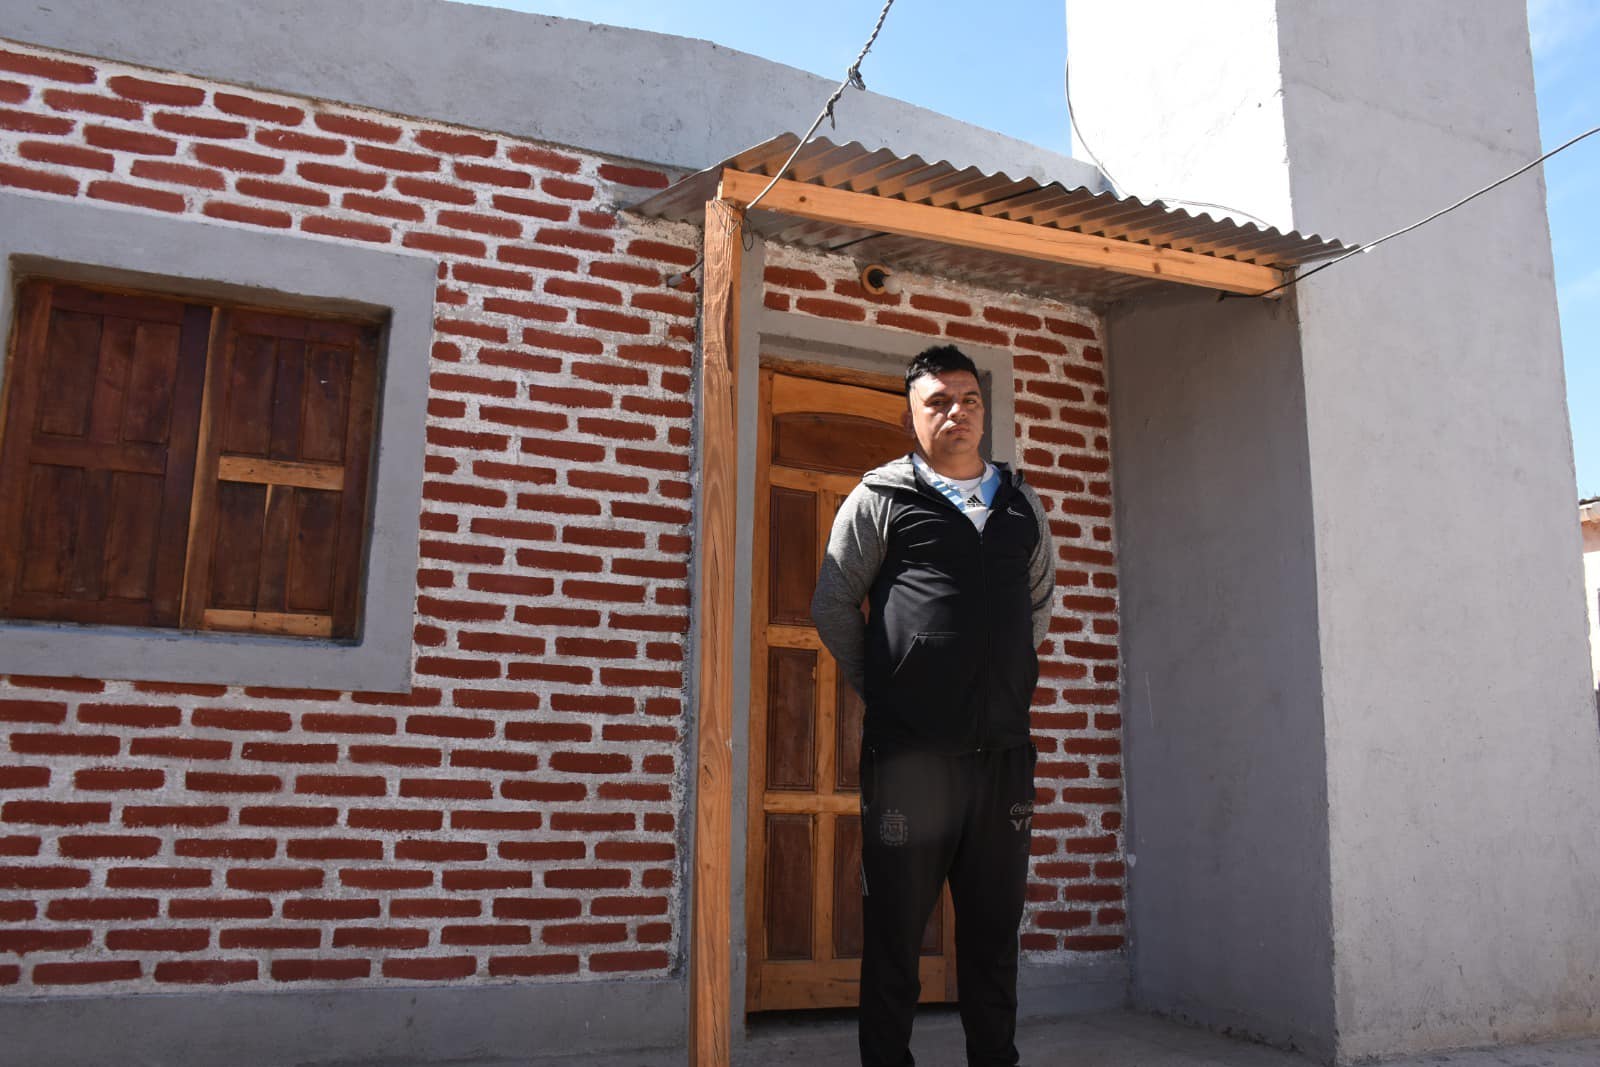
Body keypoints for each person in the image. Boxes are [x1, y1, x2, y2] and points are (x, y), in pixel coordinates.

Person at [811, 344, 1056, 1067]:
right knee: (894, 939)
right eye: (938, 402)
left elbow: (1038, 601)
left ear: (984, 409)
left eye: (969, 399)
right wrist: (889, 686)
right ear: (911, 417)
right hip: (910, 760)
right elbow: (832, 603)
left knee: (993, 940)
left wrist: (999, 676)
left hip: (1003, 759)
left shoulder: (1020, 502)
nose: (957, 412)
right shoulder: (881, 498)